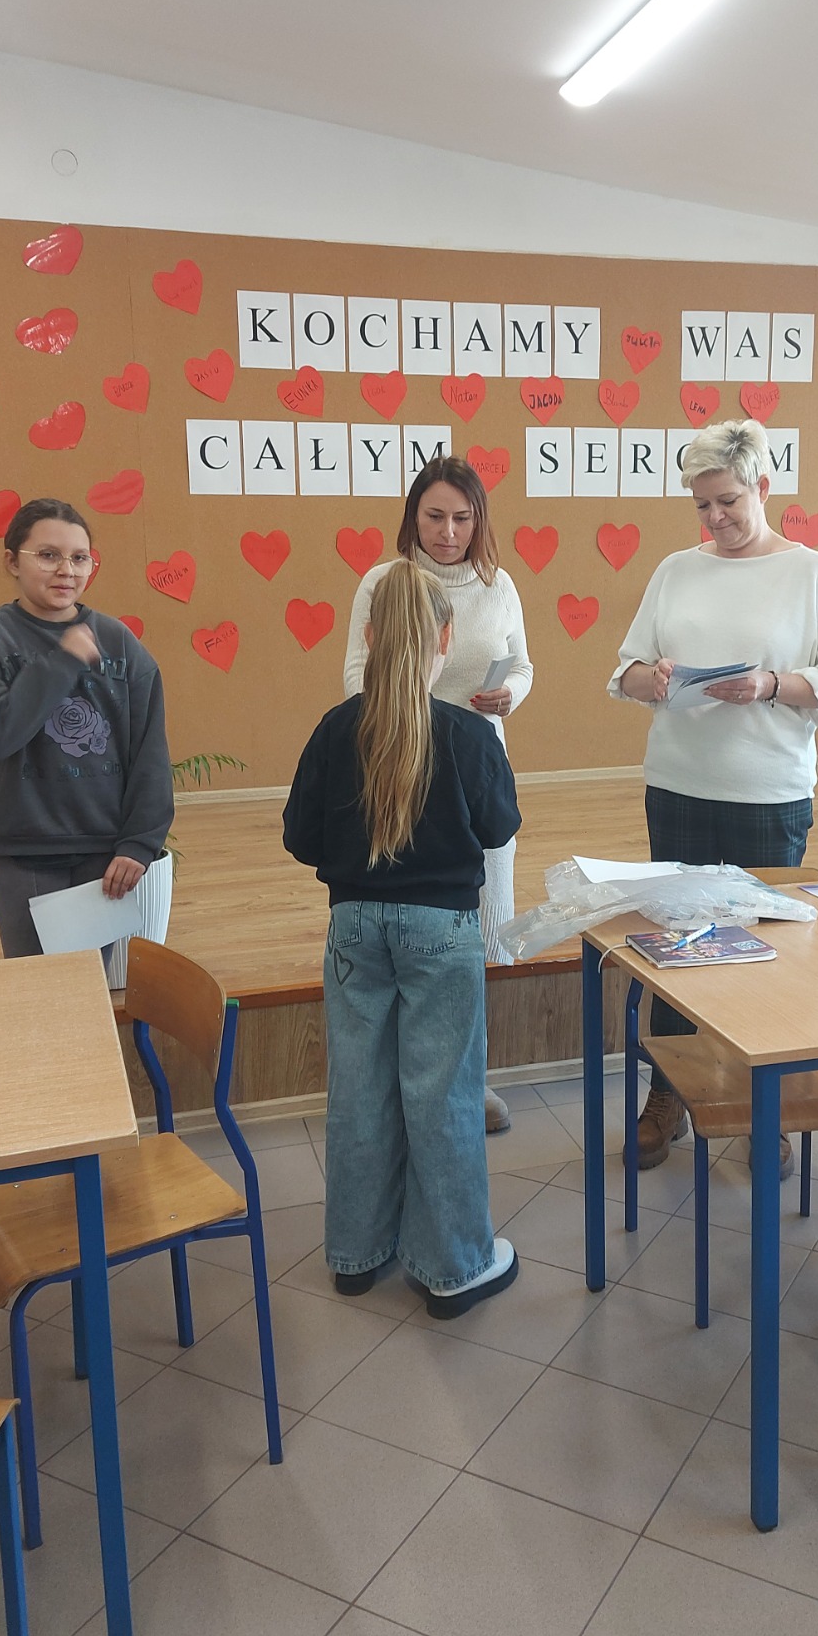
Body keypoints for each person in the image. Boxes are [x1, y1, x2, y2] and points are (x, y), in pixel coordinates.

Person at [609, 418, 818, 1167]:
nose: (715, 518)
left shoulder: (811, 573)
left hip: (768, 795)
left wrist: (772, 684)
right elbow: (624, 671)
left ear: (763, 486)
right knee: (676, 946)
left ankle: (763, 1106)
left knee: (764, 955)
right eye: (702, 505)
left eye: (727, 501)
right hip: (679, 787)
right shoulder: (674, 571)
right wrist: (652, 678)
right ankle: (667, 1094)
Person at [285, 561, 523, 1316]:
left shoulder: (334, 729)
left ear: (369, 635)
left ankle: (355, 1255)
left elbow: (299, 837)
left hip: (353, 926)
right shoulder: (467, 734)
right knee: (443, 1093)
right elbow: (500, 828)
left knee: (358, 1091)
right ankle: (454, 1267)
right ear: (444, 641)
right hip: (442, 932)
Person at [343, 455, 533, 1134]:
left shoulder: (498, 584)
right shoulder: (383, 582)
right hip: (403, 769)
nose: (448, 531)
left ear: (478, 521)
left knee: (477, 934)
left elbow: (522, 664)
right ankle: (406, 1077)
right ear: (412, 517)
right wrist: (415, 717)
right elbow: (357, 676)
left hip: (477, 770)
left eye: (461, 518)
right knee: (412, 930)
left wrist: (509, 696)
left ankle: (468, 1078)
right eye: (434, 516)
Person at [0, 498, 173, 959]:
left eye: (80, 558)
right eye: (48, 555)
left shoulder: (119, 642)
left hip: (102, 851)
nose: (66, 570)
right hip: (23, 850)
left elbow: (149, 753)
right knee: (37, 987)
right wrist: (63, 661)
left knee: (88, 985)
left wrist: (139, 844)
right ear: (12, 561)